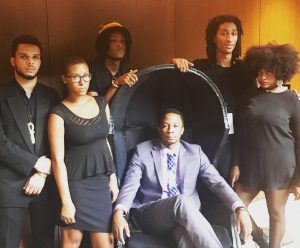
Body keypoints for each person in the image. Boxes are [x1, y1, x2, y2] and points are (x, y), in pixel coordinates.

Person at [113, 108, 252, 247]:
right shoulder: (142, 151)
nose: (170, 130)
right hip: (150, 214)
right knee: (180, 201)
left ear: (182, 130)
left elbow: (216, 182)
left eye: (175, 126)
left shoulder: (194, 152)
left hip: (184, 218)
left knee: (185, 237)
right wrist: (120, 211)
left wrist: (240, 208)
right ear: (159, 129)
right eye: (165, 125)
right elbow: (130, 184)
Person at [230, 43, 300, 248]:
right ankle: (260, 237)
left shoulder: (291, 99)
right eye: (259, 72)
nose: (262, 77)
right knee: (234, 205)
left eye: (268, 73)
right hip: (251, 164)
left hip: (280, 166)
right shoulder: (249, 96)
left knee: (276, 212)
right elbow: (238, 133)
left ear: (280, 72)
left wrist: (298, 179)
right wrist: (235, 162)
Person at [48, 56, 119, 247]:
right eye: (75, 77)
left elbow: (105, 141)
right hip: (75, 183)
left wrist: (112, 178)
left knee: (105, 242)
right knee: (72, 239)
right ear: (65, 79)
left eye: (86, 76)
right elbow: (57, 160)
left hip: (101, 181)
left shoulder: (102, 104)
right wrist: (66, 201)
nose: (82, 82)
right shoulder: (58, 113)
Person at [0, 34, 59, 248]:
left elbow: (62, 141)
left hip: (45, 184)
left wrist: (42, 173)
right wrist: (34, 164)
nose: (30, 62)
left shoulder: (52, 95)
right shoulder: (1, 95)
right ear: (13, 60)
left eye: (35, 57)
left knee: (45, 243)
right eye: (24, 56)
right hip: (8, 185)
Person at [88, 21, 138, 102]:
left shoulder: (128, 72)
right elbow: (95, 111)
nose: (120, 45)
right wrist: (116, 83)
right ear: (104, 44)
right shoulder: (91, 71)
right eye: (113, 40)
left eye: (123, 41)